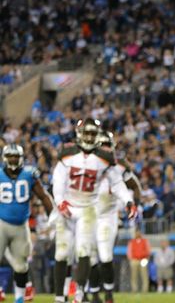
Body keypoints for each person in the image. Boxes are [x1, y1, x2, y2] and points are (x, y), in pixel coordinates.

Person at [52, 118, 137, 303]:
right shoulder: (67, 154)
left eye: (93, 133)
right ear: (79, 134)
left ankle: (80, 293)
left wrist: (129, 200)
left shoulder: (105, 158)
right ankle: (60, 297)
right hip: (67, 206)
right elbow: (57, 180)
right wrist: (60, 201)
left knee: (84, 251)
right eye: (87, 133)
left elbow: (117, 183)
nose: (89, 137)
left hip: (88, 210)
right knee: (61, 252)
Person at [89, 130, 142, 303]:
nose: (104, 149)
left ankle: (109, 294)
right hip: (89, 215)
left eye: (107, 146)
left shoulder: (119, 166)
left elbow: (135, 186)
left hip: (108, 216)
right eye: (101, 146)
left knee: (105, 255)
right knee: (90, 257)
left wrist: (134, 204)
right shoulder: (87, 163)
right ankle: (94, 294)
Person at [0, 144, 54, 303]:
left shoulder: (29, 174)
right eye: (10, 156)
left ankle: (19, 299)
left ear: (21, 158)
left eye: (16, 156)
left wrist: (53, 216)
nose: (13, 160)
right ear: (5, 158)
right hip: (1, 224)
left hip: (21, 226)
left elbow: (44, 197)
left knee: (21, 266)